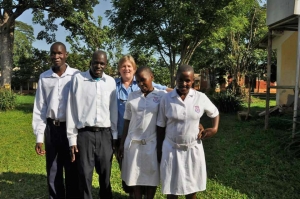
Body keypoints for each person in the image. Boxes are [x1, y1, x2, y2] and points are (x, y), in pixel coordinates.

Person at [157, 64, 220, 199]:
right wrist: (159, 149)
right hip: (171, 149)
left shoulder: (200, 97)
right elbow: (161, 126)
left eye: (188, 80)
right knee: (172, 190)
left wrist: (214, 129)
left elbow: (214, 113)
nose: (184, 84)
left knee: (191, 190)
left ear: (193, 81)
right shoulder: (166, 99)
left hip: (193, 149)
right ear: (176, 79)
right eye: (180, 80)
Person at [115, 55, 172, 198]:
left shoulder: (161, 96)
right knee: (134, 179)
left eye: (143, 80)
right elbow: (127, 120)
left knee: (151, 177)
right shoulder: (132, 96)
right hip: (133, 144)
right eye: (139, 81)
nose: (141, 84)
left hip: (152, 143)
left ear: (151, 77)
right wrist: (122, 144)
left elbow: (178, 107)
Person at [66, 50, 117, 199]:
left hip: (105, 135)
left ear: (106, 64)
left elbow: (113, 110)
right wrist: (72, 138)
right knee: (84, 175)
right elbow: (72, 109)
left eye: (102, 63)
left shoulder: (111, 82)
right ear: (91, 62)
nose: (98, 66)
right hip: (85, 135)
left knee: (105, 174)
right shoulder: (78, 79)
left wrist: (114, 136)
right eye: (96, 62)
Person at [32, 42, 80, 199]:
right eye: (53, 53)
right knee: (53, 170)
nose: (56, 56)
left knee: (72, 168)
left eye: (59, 53)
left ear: (66, 54)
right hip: (52, 129)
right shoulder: (44, 77)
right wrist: (39, 137)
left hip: (70, 129)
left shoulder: (76, 76)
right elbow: (40, 108)